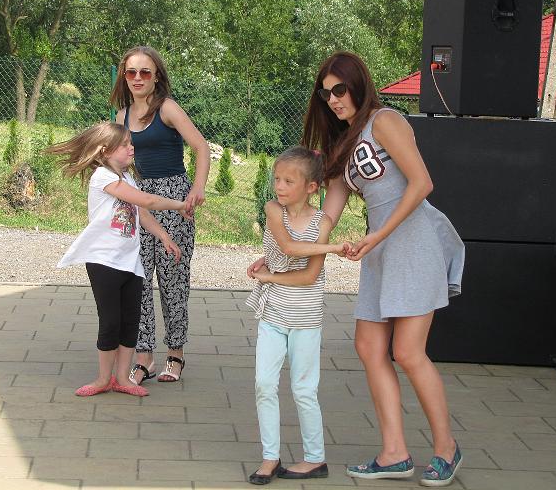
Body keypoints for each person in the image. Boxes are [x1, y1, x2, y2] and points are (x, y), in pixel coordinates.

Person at [251, 51, 465, 486]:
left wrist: (378, 234)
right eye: (325, 93)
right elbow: (326, 217)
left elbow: (422, 183)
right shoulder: (341, 144)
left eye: (339, 89)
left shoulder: (385, 121)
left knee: (408, 352)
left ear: (358, 85)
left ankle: (447, 448)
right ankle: (394, 454)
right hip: (380, 249)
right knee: (369, 348)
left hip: (413, 242)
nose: (333, 99)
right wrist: (282, 252)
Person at [50, 122, 189, 397]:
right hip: (104, 261)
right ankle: (103, 379)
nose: (131, 148)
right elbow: (148, 201)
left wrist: (164, 236)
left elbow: (142, 213)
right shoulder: (102, 177)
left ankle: (122, 378)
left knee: (130, 322)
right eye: (125, 144)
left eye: (131, 143)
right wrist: (180, 204)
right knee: (110, 321)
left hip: (130, 262)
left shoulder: (127, 178)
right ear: (105, 151)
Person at [245, 146, 348, 485]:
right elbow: (288, 247)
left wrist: (270, 276)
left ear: (311, 187)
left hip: (306, 317)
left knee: (304, 389)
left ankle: (315, 459)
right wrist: (334, 248)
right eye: (277, 178)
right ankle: (270, 457)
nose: (279, 186)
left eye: (289, 181)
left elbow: (309, 276)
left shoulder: (323, 222)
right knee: (264, 384)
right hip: (273, 314)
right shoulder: (273, 209)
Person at [110, 46, 210, 384]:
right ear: (124, 77)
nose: (137, 78)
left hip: (173, 199)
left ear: (156, 77)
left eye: (145, 72)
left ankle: (175, 353)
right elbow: (116, 162)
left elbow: (201, 147)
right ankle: (144, 358)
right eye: (131, 72)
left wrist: (197, 188)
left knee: (172, 278)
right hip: (137, 199)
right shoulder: (121, 117)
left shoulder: (167, 108)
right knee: (137, 279)